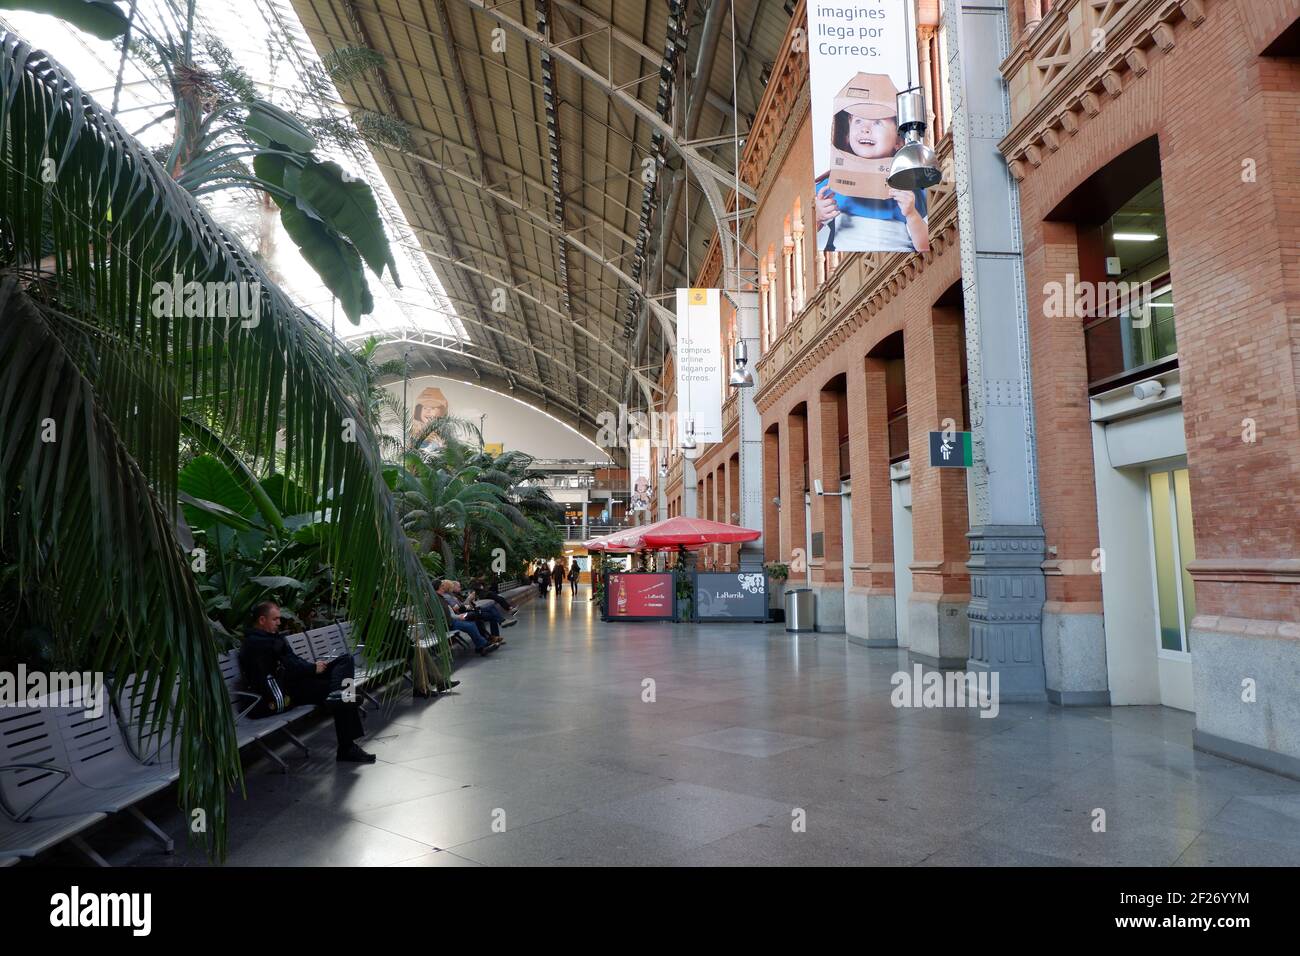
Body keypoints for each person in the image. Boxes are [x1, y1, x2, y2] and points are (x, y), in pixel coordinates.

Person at [238, 601, 375, 764]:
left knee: (345, 661)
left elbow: (292, 662)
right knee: (345, 696)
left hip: (299, 680)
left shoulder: (271, 639)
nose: (279, 623)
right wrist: (312, 669)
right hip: (288, 691)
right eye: (275, 619)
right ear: (262, 620)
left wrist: (314, 667)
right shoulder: (256, 643)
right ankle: (347, 747)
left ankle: (339, 695)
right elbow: (290, 666)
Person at [814, 87, 929, 254]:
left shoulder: (911, 188)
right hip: (849, 269)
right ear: (847, 135)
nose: (865, 129)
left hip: (899, 264)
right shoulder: (827, 187)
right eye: (858, 121)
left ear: (898, 141)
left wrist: (911, 214)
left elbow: (924, 245)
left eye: (877, 122)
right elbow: (809, 242)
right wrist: (818, 216)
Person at [433, 580, 499, 655]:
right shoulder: (435, 599)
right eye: (442, 585)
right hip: (447, 623)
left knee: (474, 622)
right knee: (471, 625)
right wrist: (458, 617)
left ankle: (481, 646)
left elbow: (449, 612)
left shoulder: (441, 597)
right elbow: (442, 614)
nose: (444, 587)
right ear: (439, 587)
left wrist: (458, 616)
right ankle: (484, 644)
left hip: (452, 619)